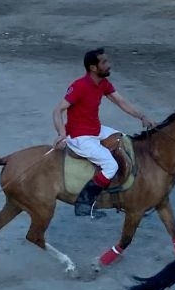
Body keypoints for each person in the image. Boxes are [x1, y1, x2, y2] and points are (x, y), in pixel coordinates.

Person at [54, 48, 155, 217]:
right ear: (93, 68)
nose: (110, 65)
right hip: (80, 136)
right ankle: (84, 203)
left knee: (126, 141)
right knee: (110, 165)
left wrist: (142, 117)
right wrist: (61, 133)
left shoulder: (103, 83)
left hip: (96, 129)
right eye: (105, 62)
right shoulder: (79, 86)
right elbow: (58, 110)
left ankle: (128, 195)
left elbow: (121, 101)